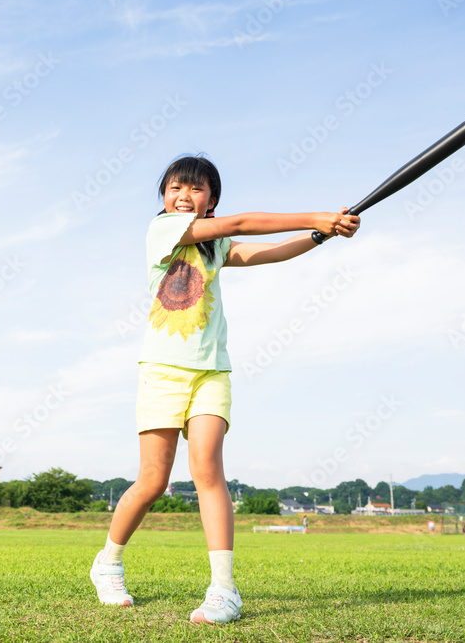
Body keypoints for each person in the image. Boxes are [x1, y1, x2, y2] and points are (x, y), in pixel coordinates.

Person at [89, 155, 360, 624]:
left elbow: (266, 251)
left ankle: (223, 590)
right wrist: (315, 215)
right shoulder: (162, 231)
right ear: (163, 197)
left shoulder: (217, 247)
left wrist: (321, 235)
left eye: (195, 190)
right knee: (153, 481)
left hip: (212, 372)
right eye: (175, 188)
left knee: (209, 473)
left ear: (210, 199)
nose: (183, 196)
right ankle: (108, 563)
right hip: (162, 371)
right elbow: (243, 223)